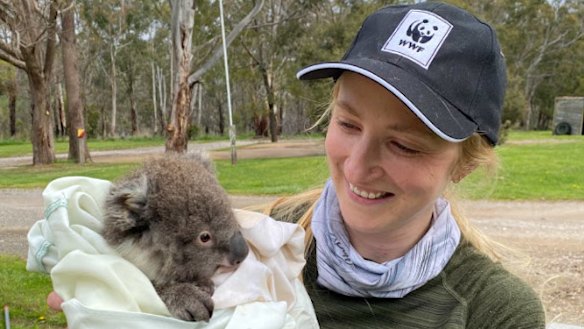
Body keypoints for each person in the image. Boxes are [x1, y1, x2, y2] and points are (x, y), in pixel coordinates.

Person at [49, 2, 546, 328]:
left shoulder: (494, 312)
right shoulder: (265, 240)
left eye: (405, 146)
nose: (357, 165)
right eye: (348, 124)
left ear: (463, 163)